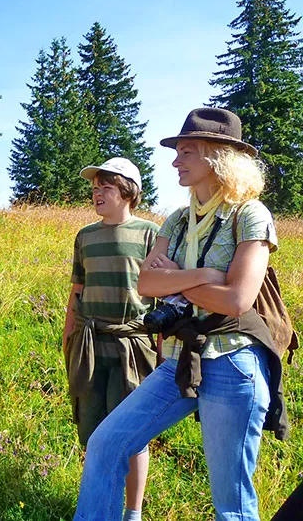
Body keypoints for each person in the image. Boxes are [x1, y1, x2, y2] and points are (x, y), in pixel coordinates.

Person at [74, 108, 282, 521]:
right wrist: (206, 275)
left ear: (218, 157)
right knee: (105, 443)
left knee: (231, 502)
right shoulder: (179, 219)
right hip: (178, 360)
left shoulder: (250, 215)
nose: (174, 161)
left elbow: (238, 299)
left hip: (233, 360)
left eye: (186, 151)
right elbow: (146, 285)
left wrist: (177, 278)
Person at [63, 158, 158, 521]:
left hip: (133, 346)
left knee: (132, 432)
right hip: (89, 344)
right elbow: (77, 290)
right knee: (92, 429)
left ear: (128, 191)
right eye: (94, 188)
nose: (96, 194)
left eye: (105, 187)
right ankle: (101, 506)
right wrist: (68, 338)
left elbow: (163, 297)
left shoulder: (151, 234)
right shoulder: (85, 236)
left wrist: (162, 349)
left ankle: (132, 513)